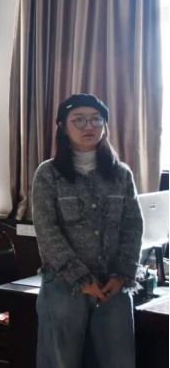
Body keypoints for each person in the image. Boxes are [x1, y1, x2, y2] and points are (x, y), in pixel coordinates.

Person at [32, 94, 143, 368]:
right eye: (78, 120)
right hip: (63, 287)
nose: (89, 126)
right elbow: (47, 231)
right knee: (61, 361)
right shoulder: (48, 174)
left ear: (104, 125)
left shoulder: (121, 174)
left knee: (119, 360)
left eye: (96, 119)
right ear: (63, 127)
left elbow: (133, 226)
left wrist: (123, 273)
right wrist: (81, 278)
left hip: (113, 286)